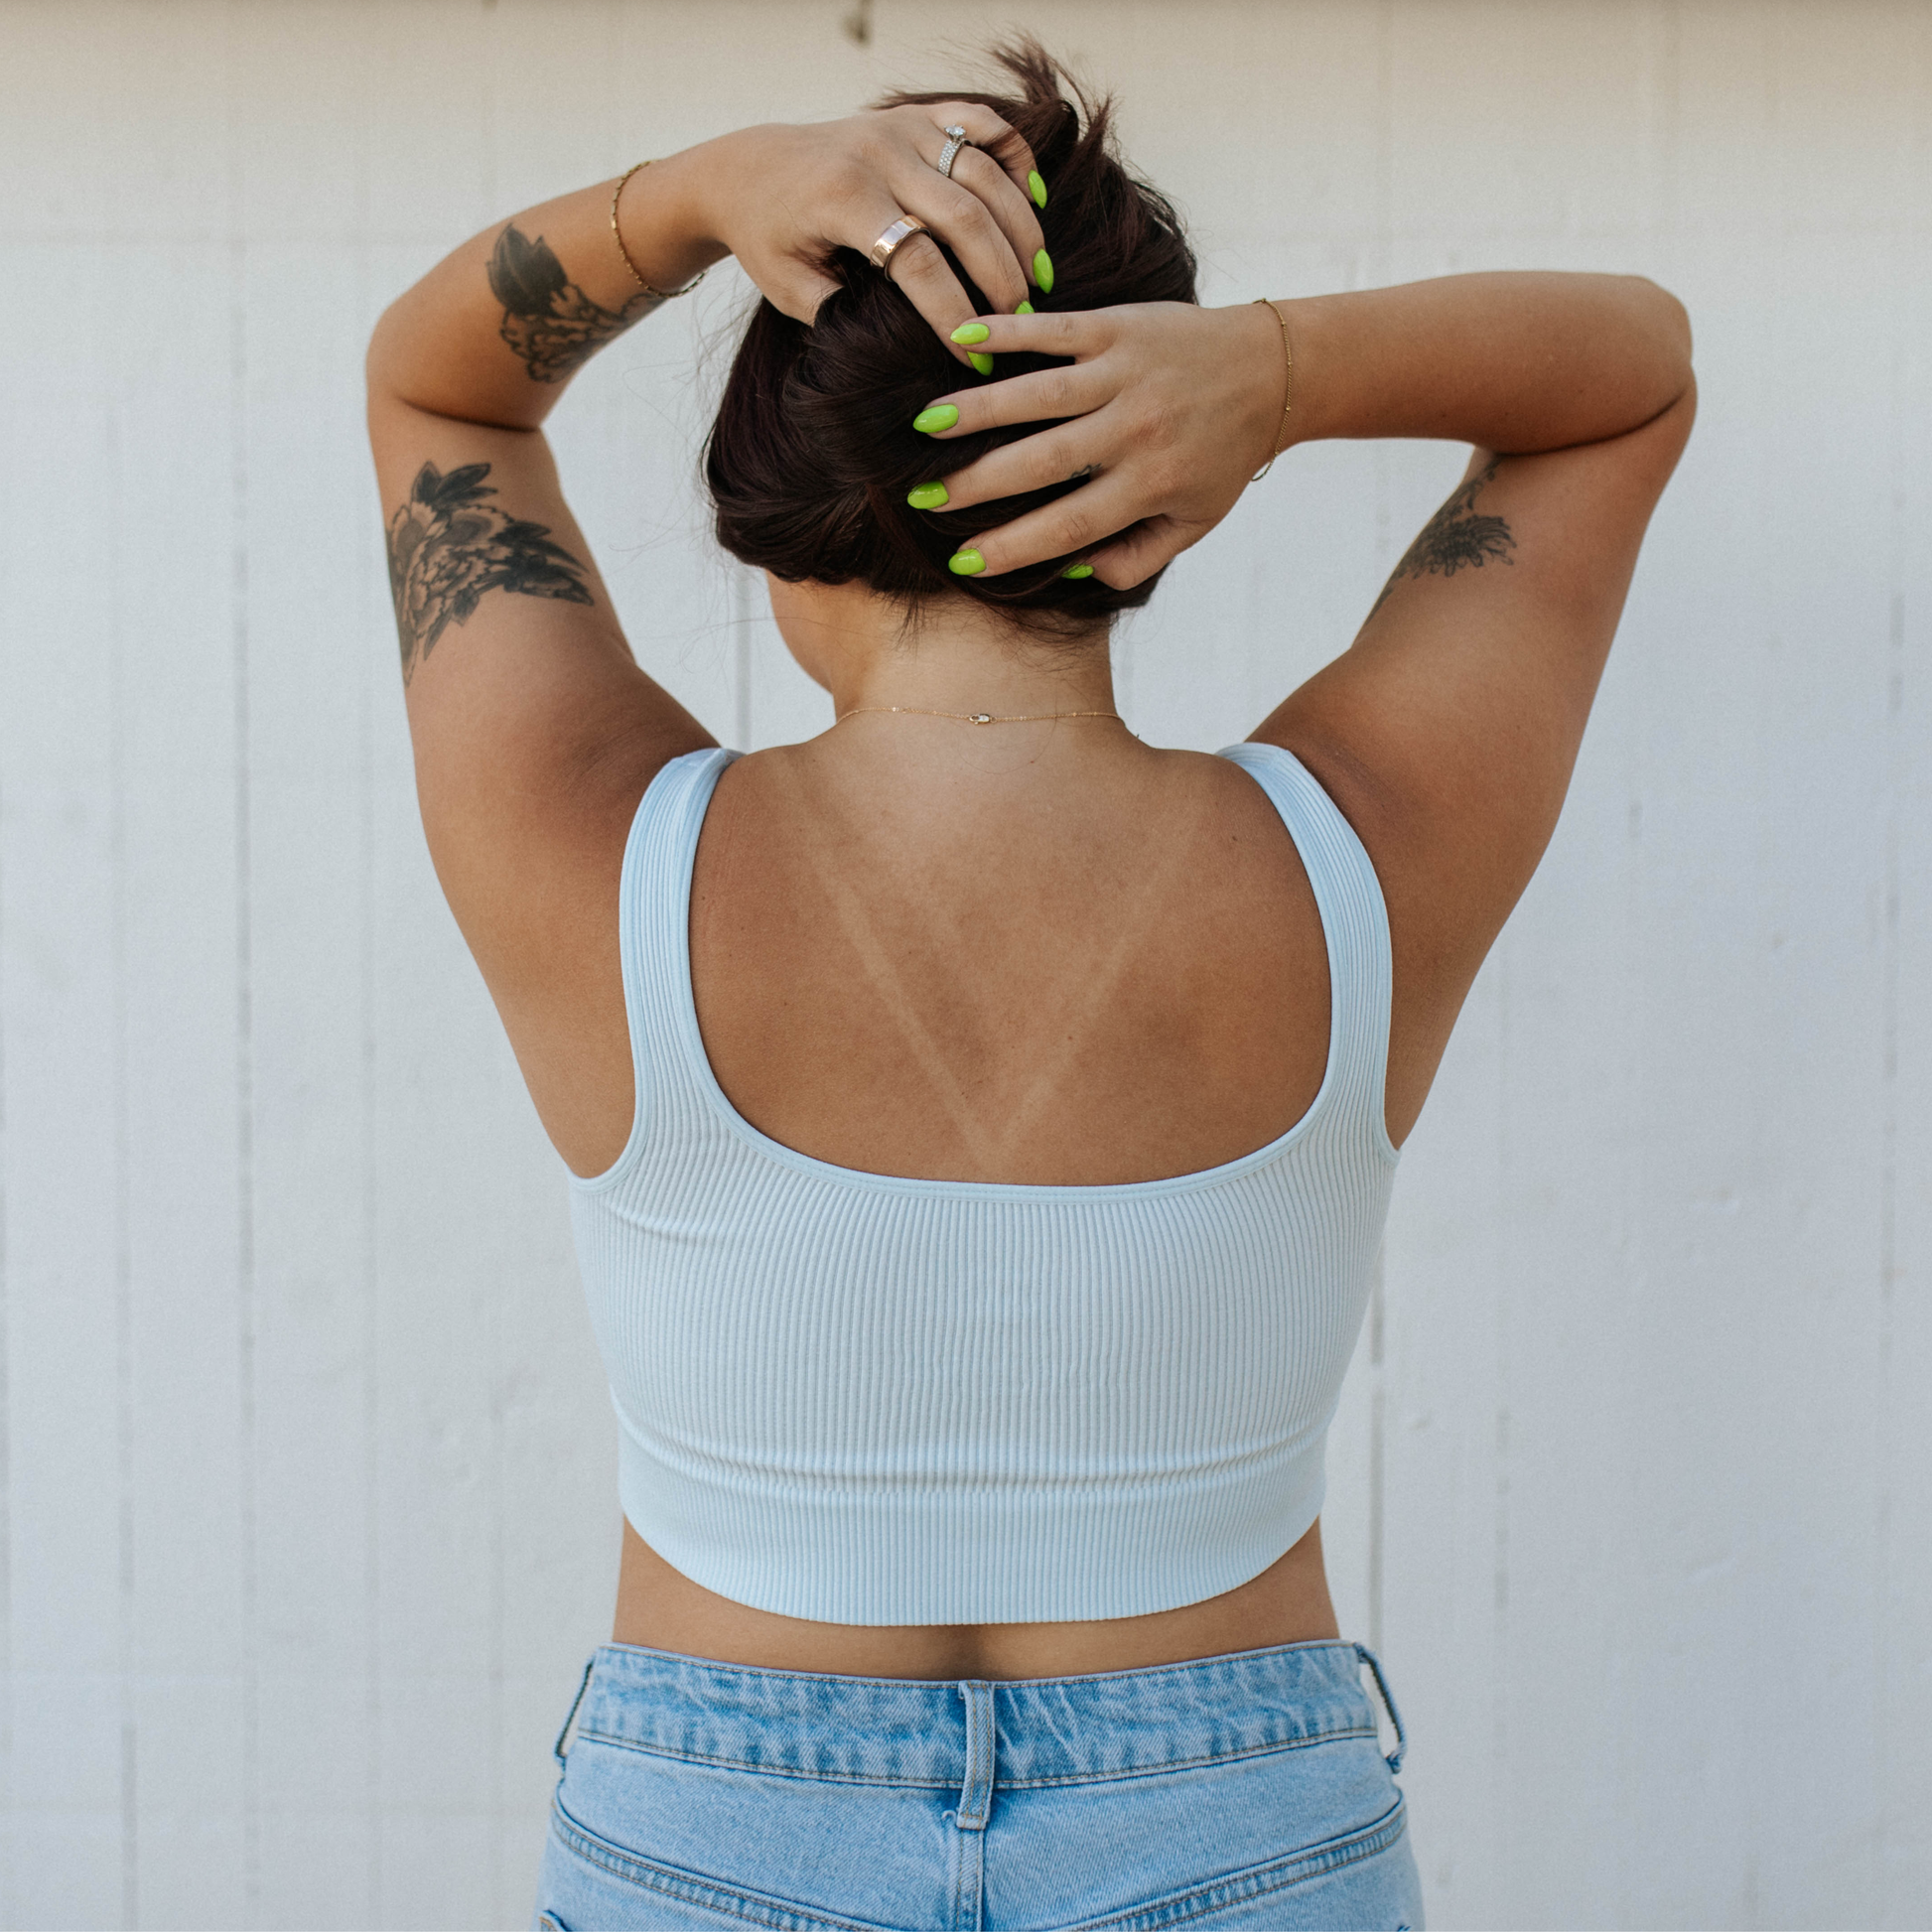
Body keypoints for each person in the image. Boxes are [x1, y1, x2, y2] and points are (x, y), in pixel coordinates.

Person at [365, 40, 1692, 1931]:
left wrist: (702, 192)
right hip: (1236, 1824)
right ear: (1170, 470)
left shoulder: (589, 844)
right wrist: (1276, 374)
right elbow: (1628, 375)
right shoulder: (1368, 848)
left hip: (723, 1832)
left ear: (780, 489)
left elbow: (437, 382)